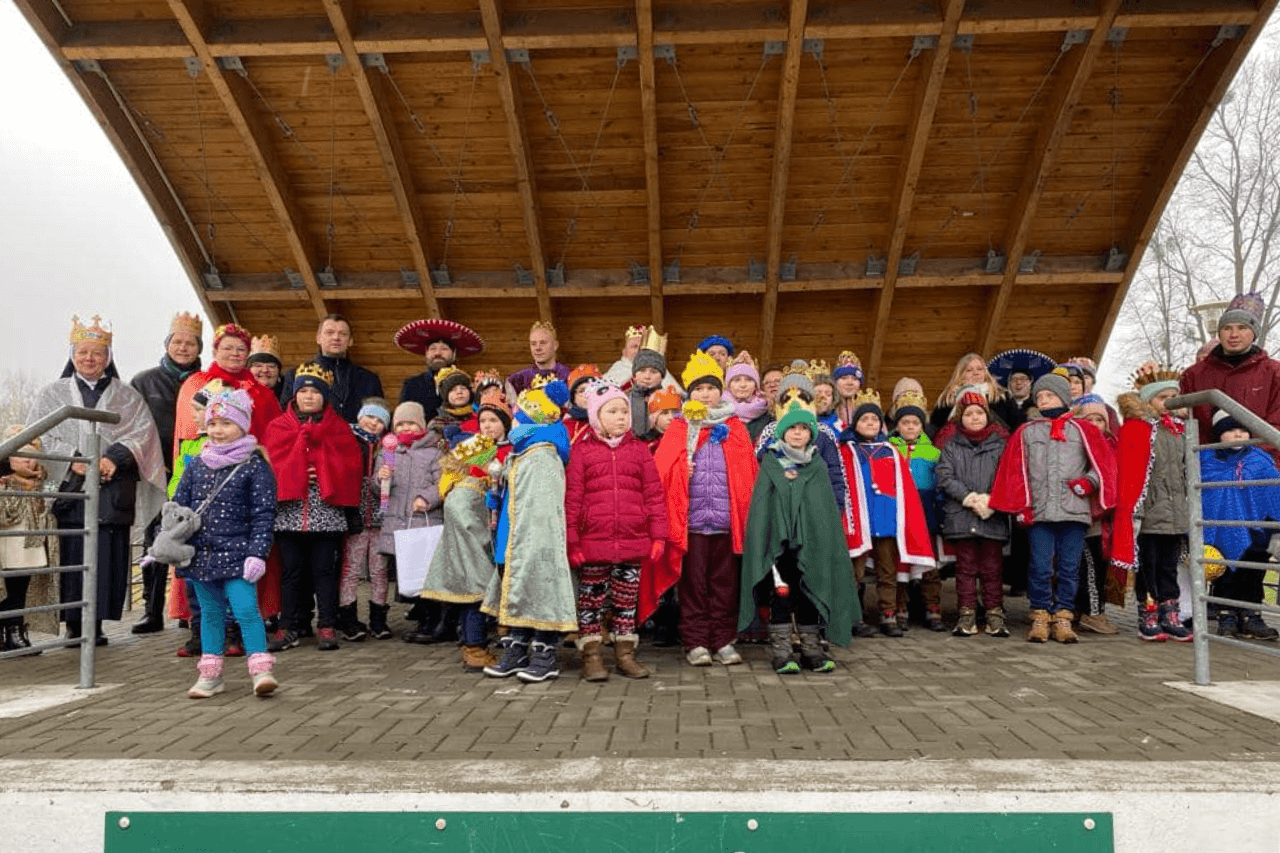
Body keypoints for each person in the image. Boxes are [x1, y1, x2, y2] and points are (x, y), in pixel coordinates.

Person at [32, 315, 168, 645]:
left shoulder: (127, 396)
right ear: (72, 355)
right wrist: (75, 461)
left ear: (108, 357)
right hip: (69, 489)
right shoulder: (52, 394)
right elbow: (39, 434)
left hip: (112, 487)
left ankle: (97, 623)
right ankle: (73, 624)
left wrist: (113, 458)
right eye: (83, 352)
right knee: (71, 553)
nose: (89, 359)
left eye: (97, 352)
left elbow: (143, 434)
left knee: (107, 554)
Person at [649, 351, 758, 668]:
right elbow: (662, 471)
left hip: (725, 522)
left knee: (725, 585)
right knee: (694, 585)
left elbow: (746, 473)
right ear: (690, 393)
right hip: (693, 523)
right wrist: (681, 472)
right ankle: (696, 640)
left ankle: (723, 639)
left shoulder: (735, 427)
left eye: (710, 388)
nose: (705, 394)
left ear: (719, 391)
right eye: (698, 389)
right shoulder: (679, 428)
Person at [990, 371, 1116, 643]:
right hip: (1040, 512)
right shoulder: (1027, 431)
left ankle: (1063, 617)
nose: (1044, 400)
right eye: (1040, 396)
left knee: (1070, 567)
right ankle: (1039, 615)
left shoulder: (1084, 430)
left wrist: (1089, 482)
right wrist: (1021, 504)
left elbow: (1103, 465)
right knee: (1040, 566)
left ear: (1062, 395)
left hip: (1074, 511)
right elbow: (1015, 470)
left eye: (1049, 395)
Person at [172, 388, 278, 698]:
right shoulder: (196, 464)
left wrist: (258, 553)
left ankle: (261, 671)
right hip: (201, 554)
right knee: (210, 614)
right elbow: (180, 506)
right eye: (213, 422)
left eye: (226, 423)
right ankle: (210, 675)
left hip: (239, 554)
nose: (218, 430)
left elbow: (263, 514)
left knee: (246, 610)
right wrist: (171, 535)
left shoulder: (254, 466)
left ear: (243, 426)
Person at [742, 399, 857, 673]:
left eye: (803, 428)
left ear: (811, 433)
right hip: (780, 549)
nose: (797, 433)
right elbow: (762, 505)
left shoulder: (817, 465)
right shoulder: (770, 462)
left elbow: (823, 507)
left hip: (812, 545)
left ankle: (811, 649)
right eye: (791, 428)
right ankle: (782, 651)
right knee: (782, 595)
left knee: (809, 593)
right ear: (782, 432)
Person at [565, 382, 668, 681]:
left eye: (624, 411)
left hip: (632, 541)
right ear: (597, 416)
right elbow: (573, 499)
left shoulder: (639, 451)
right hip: (592, 542)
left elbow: (654, 496)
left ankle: (625, 655)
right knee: (591, 601)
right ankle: (592, 656)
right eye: (613, 411)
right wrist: (573, 540)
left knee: (626, 602)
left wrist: (658, 535)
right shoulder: (582, 453)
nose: (621, 417)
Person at [482, 378, 577, 682]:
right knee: (518, 588)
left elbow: (543, 504)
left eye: (520, 414)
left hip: (536, 537)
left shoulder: (544, 451)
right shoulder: (522, 450)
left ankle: (545, 653)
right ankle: (518, 646)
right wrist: (495, 489)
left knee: (540, 587)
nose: (516, 418)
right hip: (513, 534)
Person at [263, 363, 362, 652]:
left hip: (326, 512)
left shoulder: (339, 428)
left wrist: (323, 469)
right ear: (294, 395)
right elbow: (270, 465)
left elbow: (352, 466)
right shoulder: (278, 427)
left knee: (325, 571)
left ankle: (327, 624)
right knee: (291, 572)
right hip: (289, 513)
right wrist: (294, 472)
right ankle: (289, 626)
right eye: (303, 390)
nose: (308, 396)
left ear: (324, 396)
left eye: (314, 391)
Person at [128, 311, 203, 634]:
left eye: (190, 343)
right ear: (167, 343)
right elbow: (130, 424)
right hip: (158, 472)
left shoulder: (206, 382)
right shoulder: (144, 381)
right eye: (178, 341)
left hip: (195, 471)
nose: (183, 348)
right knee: (156, 540)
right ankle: (152, 609)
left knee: (196, 538)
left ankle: (192, 611)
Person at [838, 389, 935, 637]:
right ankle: (850, 615)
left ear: (881, 424)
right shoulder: (846, 451)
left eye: (874, 420)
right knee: (854, 572)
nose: (869, 424)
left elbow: (904, 489)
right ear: (855, 423)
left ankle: (888, 614)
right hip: (859, 520)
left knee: (887, 571)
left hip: (887, 520)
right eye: (864, 419)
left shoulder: (890, 451)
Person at [422, 411, 512, 671]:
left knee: (489, 583)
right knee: (475, 584)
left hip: (495, 527)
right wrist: (463, 484)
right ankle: (473, 647)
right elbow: (447, 482)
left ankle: (483, 642)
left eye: (494, 421)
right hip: (469, 525)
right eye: (483, 421)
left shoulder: (512, 449)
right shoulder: (470, 447)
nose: (487, 426)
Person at [1112, 365, 1193, 642]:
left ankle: (1170, 612)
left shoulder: (1180, 431)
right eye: (1163, 398)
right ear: (1147, 401)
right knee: (1148, 566)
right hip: (1148, 514)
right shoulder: (1137, 429)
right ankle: (1148, 612)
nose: (1169, 403)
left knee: (1169, 566)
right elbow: (1131, 472)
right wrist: (1135, 511)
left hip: (1175, 513)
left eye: (1174, 397)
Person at [935, 389, 1010, 637]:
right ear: (961, 417)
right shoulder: (951, 446)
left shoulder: (1001, 446)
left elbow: (1008, 476)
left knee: (992, 568)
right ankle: (966, 613)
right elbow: (945, 476)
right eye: (969, 413)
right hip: (962, 515)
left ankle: (994, 613)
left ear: (988, 416)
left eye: (980, 413)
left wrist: (992, 500)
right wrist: (968, 497)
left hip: (993, 516)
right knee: (965, 569)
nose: (975, 417)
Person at [1200, 409, 1280, 641]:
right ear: (1218, 434)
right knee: (1225, 574)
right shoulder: (1206, 460)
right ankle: (1227, 616)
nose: (1238, 435)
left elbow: (1273, 493)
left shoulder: (1260, 459)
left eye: (1243, 430)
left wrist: (1275, 528)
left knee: (1253, 573)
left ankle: (1252, 616)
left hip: (1257, 529)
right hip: (1220, 530)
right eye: (1230, 430)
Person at [1180, 292, 1280, 463]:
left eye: (1242, 328)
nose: (1234, 334)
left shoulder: (1274, 373)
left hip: (1261, 467)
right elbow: (1186, 424)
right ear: (1219, 333)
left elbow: (1277, 421)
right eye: (1227, 328)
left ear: (1253, 333)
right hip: (1210, 468)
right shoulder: (1194, 375)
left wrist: (1255, 458)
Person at [376, 401, 446, 645]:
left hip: (424, 520)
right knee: (409, 573)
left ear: (422, 425)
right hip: (398, 523)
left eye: (411, 423)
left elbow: (442, 484)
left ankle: (434, 621)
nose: (406, 428)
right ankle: (422, 619)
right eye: (401, 424)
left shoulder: (435, 453)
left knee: (427, 574)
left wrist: (426, 497)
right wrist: (381, 479)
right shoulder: (388, 453)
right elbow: (379, 490)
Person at [174, 323, 283, 454]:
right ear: (215, 352)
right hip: (209, 462)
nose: (235, 353)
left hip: (254, 465)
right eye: (227, 348)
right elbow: (188, 431)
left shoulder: (263, 392)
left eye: (241, 349)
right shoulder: (198, 382)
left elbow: (277, 435)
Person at [888, 384, 945, 631]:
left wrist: (940, 511)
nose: (910, 427)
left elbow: (940, 484)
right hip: (899, 515)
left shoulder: (933, 452)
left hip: (926, 513)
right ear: (897, 425)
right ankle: (900, 607)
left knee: (929, 563)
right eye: (905, 422)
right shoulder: (888, 450)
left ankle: (932, 607)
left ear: (922, 426)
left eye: (915, 423)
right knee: (901, 562)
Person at [337, 397, 393, 642]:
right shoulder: (348, 440)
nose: (374, 423)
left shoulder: (387, 448)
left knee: (379, 570)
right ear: (360, 415)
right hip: (356, 516)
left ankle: (379, 619)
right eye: (371, 416)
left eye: (381, 420)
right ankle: (348, 618)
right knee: (350, 569)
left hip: (380, 519)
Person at [0, 429, 58, 655]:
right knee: (8, 584)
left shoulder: (43, 479)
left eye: (32, 454)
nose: (28, 459)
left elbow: (51, 501)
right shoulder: (4, 480)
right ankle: (8, 631)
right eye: (21, 453)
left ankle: (16, 630)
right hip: (9, 539)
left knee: (20, 586)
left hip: (31, 540)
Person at [1072, 394, 1120, 635]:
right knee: (1088, 566)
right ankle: (1092, 612)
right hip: (1083, 514)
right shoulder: (1076, 446)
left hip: (1106, 518)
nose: (1094, 424)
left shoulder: (1113, 445)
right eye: (1088, 418)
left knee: (1099, 567)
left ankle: (1092, 609)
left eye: (1099, 419)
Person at [281, 315, 384, 424]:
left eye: (343, 334)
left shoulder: (369, 378)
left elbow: (380, 417)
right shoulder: (295, 375)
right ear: (318, 338)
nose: (336, 338)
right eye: (329, 333)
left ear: (350, 341)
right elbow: (287, 415)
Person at [395, 318, 485, 425]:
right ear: (426, 353)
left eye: (444, 349)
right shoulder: (412, 385)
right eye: (432, 348)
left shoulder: (467, 385)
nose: (438, 353)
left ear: (454, 354)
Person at [505, 321, 571, 400]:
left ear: (555, 345)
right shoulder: (518, 380)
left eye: (543, 343)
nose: (538, 348)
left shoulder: (568, 375)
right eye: (533, 344)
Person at [626, 329, 672, 440]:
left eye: (653, 372)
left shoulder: (670, 398)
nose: (647, 376)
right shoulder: (624, 397)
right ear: (635, 374)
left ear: (662, 376)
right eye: (642, 370)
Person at [604, 324, 681, 390]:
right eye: (634, 346)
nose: (638, 350)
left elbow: (678, 393)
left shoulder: (658, 368)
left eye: (642, 347)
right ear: (624, 352)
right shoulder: (618, 367)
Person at [724, 352, 772, 443]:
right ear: (729, 385)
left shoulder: (767, 412)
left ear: (756, 385)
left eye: (749, 380)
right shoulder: (717, 411)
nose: (743, 385)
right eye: (736, 380)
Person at [425, 366, 474, 447]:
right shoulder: (438, 423)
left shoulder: (479, 417)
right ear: (445, 395)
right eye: (453, 389)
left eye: (463, 388)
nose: (459, 392)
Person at [563, 364, 602, 447]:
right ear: (574, 398)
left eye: (592, 388)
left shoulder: (611, 419)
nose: (587, 394)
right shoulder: (564, 427)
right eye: (581, 391)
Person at [827, 351, 864, 434]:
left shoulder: (867, 409)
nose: (850, 383)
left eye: (855, 379)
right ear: (835, 382)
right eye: (844, 378)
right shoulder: (827, 408)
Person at [247, 334, 288, 409]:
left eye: (271, 366)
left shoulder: (289, 400)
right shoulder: (237, 395)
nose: (265, 370)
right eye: (258, 366)